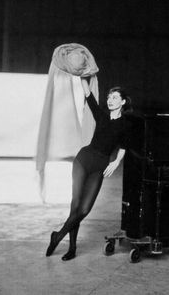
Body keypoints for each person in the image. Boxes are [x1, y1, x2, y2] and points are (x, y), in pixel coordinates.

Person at [46, 77, 133, 261]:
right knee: (75, 205)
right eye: (109, 96)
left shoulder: (126, 124)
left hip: (99, 166)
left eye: (115, 97)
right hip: (83, 160)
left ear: (123, 102)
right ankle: (72, 248)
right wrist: (83, 74)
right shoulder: (101, 113)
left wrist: (116, 162)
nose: (110, 100)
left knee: (84, 210)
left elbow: (124, 147)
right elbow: (88, 92)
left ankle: (57, 235)